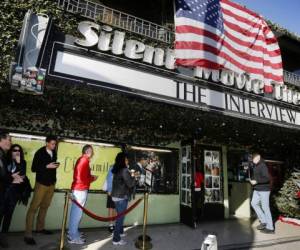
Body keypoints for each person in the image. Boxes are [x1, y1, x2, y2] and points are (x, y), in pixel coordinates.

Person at [24, 135, 59, 245]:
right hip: (41, 184)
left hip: (51, 184)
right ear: (47, 143)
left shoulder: (54, 152)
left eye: (55, 144)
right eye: (52, 144)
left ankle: (40, 228)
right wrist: (46, 166)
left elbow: (51, 167)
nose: (54, 146)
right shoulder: (40, 153)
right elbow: (33, 168)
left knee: (45, 206)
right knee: (33, 208)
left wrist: (53, 167)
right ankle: (28, 235)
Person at [68, 145, 97, 245]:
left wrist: (90, 177)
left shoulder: (83, 160)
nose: (91, 153)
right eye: (90, 151)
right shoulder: (84, 160)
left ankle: (73, 232)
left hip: (78, 189)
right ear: (87, 151)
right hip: (80, 190)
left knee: (75, 213)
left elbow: (82, 176)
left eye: (92, 151)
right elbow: (81, 178)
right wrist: (92, 178)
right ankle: (72, 236)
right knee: (76, 214)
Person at [2, 144, 29, 233]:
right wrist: (12, 177)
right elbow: (3, 176)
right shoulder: (5, 160)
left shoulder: (23, 162)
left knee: (8, 215)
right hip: (3, 191)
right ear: (11, 151)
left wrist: (18, 163)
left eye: (19, 151)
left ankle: (3, 237)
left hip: (14, 193)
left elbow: (22, 175)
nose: (17, 152)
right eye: (15, 150)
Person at [111, 152, 136, 246]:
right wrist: (133, 176)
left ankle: (120, 232)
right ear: (122, 160)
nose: (127, 160)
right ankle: (116, 239)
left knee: (120, 216)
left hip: (116, 196)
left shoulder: (116, 169)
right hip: (121, 197)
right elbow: (130, 184)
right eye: (126, 159)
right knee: (120, 219)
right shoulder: (124, 170)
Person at [250, 153, 274, 234]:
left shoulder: (262, 165)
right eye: (252, 159)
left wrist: (256, 181)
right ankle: (264, 221)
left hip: (264, 190)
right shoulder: (256, 166)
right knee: (254, 203)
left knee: (265, 207)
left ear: (258, 157)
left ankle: (270, 228)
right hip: (257, 189)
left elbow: (266, 178)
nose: (253, 160)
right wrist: (253, 180)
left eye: (254, 159)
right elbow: (258, 177)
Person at [104, 165, 116, 233]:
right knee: (111, 208)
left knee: (116, 208)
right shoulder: (113, 167)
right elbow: (109, 178)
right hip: (112, 191)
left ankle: (114, 224)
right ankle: (110, 225)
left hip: (119, 192)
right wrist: (109, 190)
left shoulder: (124, 167)